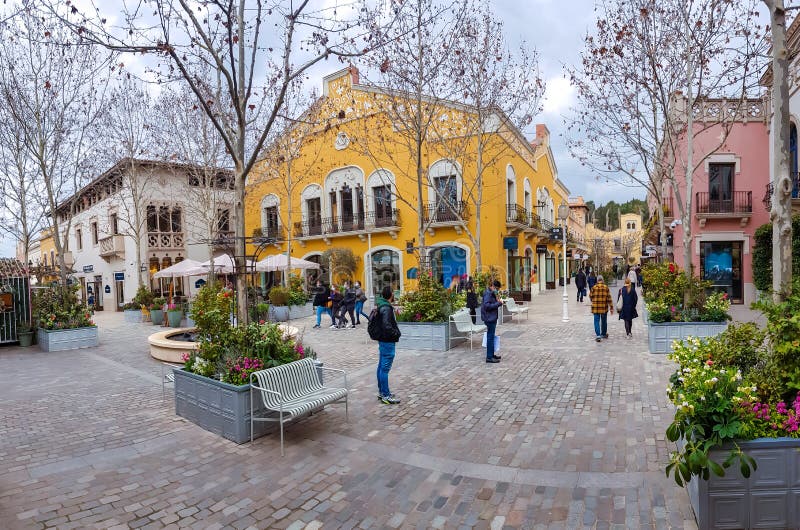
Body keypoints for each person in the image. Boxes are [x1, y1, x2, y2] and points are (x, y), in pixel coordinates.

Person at [373, 285, 401, 404]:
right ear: (390, 295)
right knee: (384, 369)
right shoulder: (386, 308)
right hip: (387, 341)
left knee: (381, 367)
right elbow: (386, 326)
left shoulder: (382, 305)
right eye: (393, 293)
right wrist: (396, 333)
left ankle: (382, 392)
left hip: (383, 341)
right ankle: (385, 395)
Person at [481, 280, 504, 363]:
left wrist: (497, 300)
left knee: (491, 336)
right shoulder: (488, 293)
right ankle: (489, 357)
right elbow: (487, 306)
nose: (497, 290)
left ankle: (491, 354)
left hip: (491, 317)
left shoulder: (491, 292)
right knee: (490, 337)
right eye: (497, 288)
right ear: (493, 286)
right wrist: (498, 303)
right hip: (489, 318)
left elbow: (491, 303)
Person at [589, 275, 614, 342]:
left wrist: (594, 301)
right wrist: (611, 307)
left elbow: (590, 296)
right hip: (603, 307)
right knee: (604, 321)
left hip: (595, 308)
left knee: (596, 321)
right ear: (602, 280)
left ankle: (598, 335)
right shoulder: (606, 287)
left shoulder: (593, 287)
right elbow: (609, 298)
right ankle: (603, 333)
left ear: (597, 280)